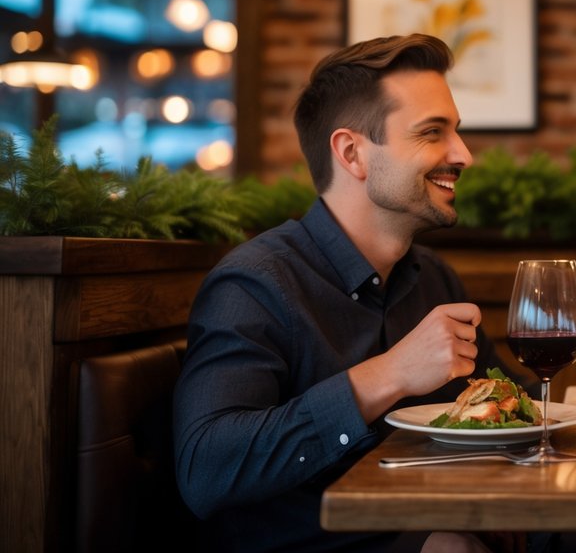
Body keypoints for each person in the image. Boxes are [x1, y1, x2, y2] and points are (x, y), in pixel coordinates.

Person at [173, 34, 518, 553]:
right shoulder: (257, 283)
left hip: (439, 524)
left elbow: (514, 408)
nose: (463, 154)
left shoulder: (435, 281)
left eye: (457, 132)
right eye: (432, 133)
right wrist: (391, 373)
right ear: (352, 152)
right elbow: (206, 468)